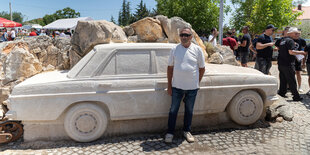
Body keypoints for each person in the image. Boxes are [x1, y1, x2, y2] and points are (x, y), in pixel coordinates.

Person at [165, 27, 205, 143]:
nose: (184, 37)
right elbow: (170, 68)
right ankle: (170, 132)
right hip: (177, 86)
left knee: (189, 110)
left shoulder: (197, 50)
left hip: (192, 88)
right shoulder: (174, 49)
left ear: (191, 37)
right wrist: (169, 85)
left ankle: (187, 131)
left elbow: (202, 68)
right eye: (182, 35)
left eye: (186, 35)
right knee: (173, 110)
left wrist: (197, 82)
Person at [276, 27, 306, 101]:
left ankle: (282, 93)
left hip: (281, 63)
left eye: (298, 33)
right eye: (296, 33)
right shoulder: (290, 41)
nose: (297, 35)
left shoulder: (283, 40)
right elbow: (291, 52)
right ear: (290, 33)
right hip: (288, 64)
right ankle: (296, 96)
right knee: (292, 80)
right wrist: (301, 52)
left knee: (283, 79)